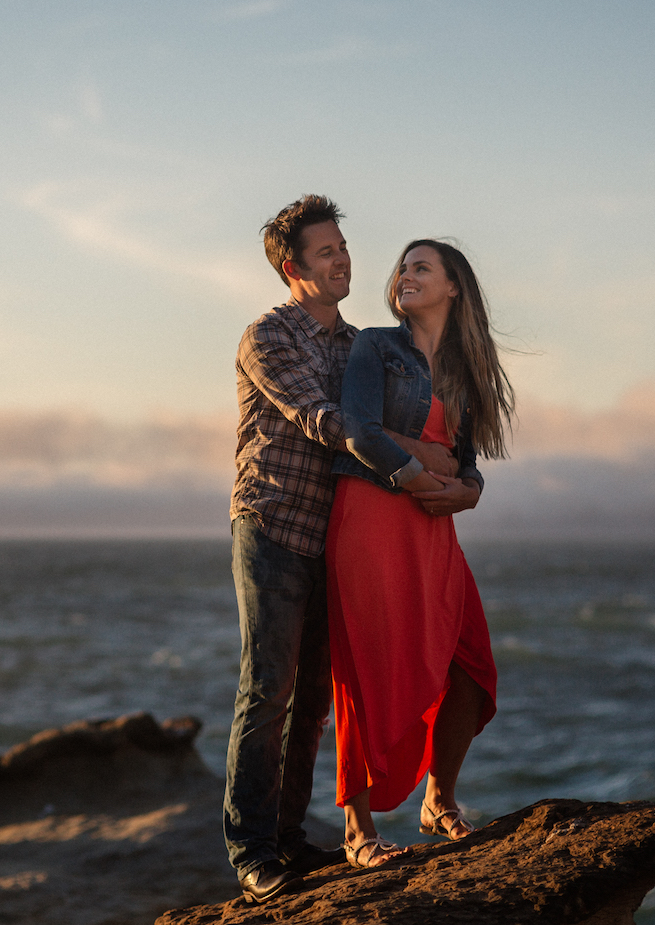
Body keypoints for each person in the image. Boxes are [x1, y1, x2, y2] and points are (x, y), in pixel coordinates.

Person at [226, 197, 459, 903]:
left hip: (337, 539)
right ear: (293, 268)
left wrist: (455, 468)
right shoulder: (267, 336)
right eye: (327, 253)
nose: (344, 260)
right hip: (272, 526)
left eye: (344, 248)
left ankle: (292, 838)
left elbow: (397, 418)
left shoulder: (361, 342)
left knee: (316, 703)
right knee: (268, 689)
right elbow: (324, 421)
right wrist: (416, 462)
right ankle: (253, 851)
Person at [325, 238, 515, 867]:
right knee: (365, 667)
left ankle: (440, 799)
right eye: (403, 268)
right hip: (375, 514)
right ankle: (358, 832)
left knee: (472, 663)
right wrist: (416, 475)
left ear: (453, 287)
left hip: (435, 525)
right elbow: (357, 429)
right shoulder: (376, 345)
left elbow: (470, 463)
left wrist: (466, 492)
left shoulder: (464, 371)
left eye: (421, 267)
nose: (405, 275)